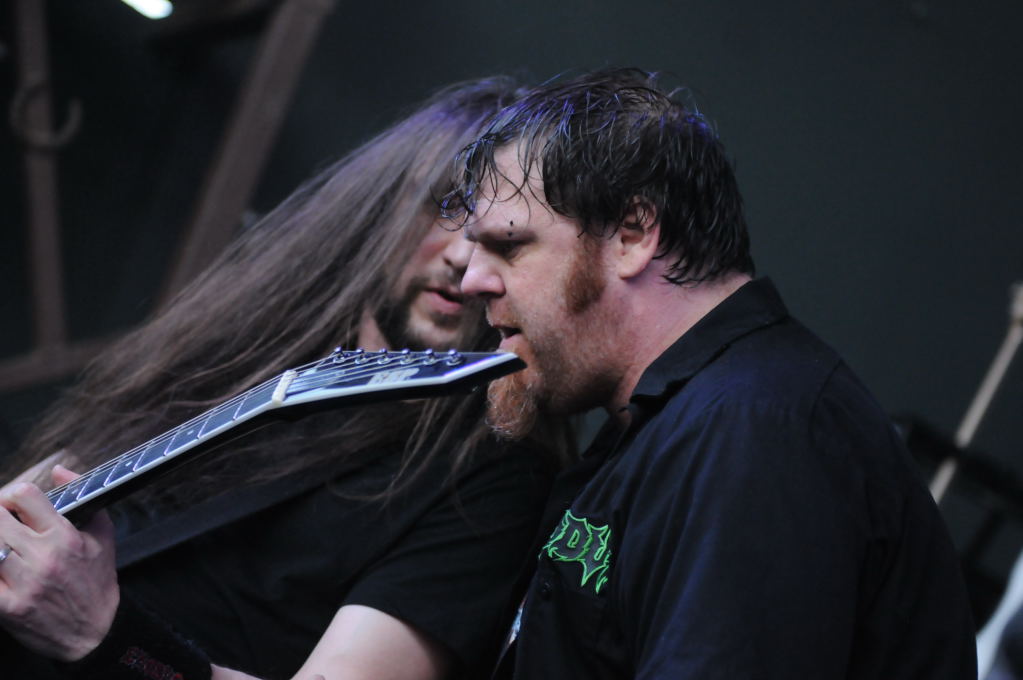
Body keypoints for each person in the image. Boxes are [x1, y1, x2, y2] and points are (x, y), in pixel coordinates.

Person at [0, 77, 566, 680]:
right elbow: (38, 497)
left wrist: (104, 635)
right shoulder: (239, 354)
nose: (461, 256)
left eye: (502, 238)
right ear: (384, 206)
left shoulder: (489, 476)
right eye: (447, 208)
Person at [445, 67, 978, 679]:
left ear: (632, 235)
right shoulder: (687, 417)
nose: (471, 280)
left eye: (509, 245)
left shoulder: (758, 432)